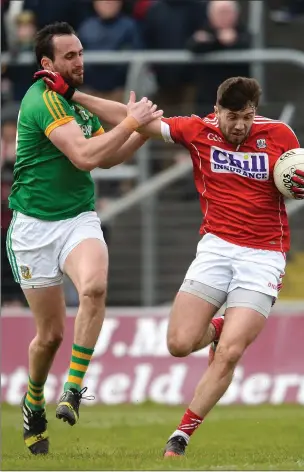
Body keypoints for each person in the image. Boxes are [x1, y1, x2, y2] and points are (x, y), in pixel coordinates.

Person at [38, 72, 304, 457]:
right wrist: (74, 94)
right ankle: (217, 328)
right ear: (217, 112)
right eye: (232, 117)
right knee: (179, 344)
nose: (240, 126)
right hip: (215, 250)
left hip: (264, 256)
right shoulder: (197, 131)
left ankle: (181, 435)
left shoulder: (280, 136)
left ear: (254, 112)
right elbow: (134, 120)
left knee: (230, 352)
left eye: (246, 116)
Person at [8, 21, 163, 456]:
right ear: (48, 63)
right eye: (70, 56)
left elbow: (107, 158)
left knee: (94, 287)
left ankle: (73, 388)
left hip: (77, 218)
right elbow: (84, 156)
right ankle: (33, 399)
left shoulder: (75, 102)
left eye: (80, 53)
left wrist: (137, 131)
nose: (79, 61)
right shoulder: (41, 101)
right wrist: (133, 121)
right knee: (50, 336)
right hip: (34, 229)